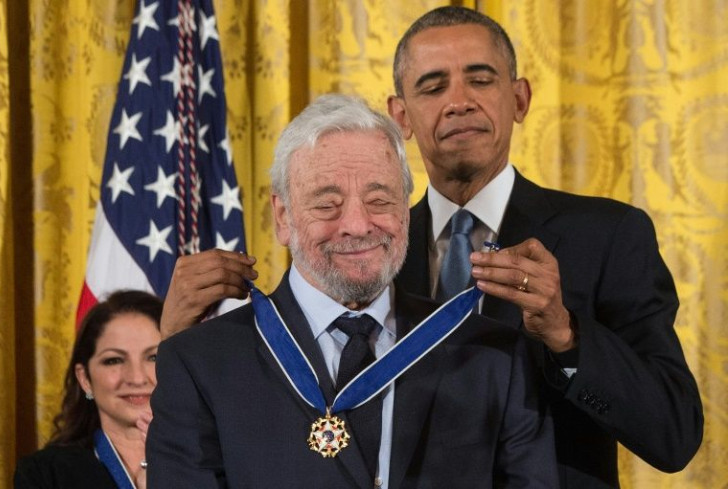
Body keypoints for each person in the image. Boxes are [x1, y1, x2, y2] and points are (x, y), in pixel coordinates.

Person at [157, 7, 703, 488]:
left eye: (481, 80)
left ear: (519, 98)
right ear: (401, 117)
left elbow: (673, 437)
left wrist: (566, 336)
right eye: (433, 85)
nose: (459, 102)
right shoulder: (367, 243)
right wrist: (176, 338)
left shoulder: (608, 234)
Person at [145, 94, 558, 488]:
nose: (358, 226)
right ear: (283, 216)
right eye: (327, 205)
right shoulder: (200, 363)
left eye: (379, 200)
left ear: (405, 209)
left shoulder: (492, 356)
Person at [14, 290, 163, 489]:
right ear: (84, 378)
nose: (137, 378)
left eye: (153, 357)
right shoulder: (44, 474)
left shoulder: (213, 460)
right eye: (114, 360)